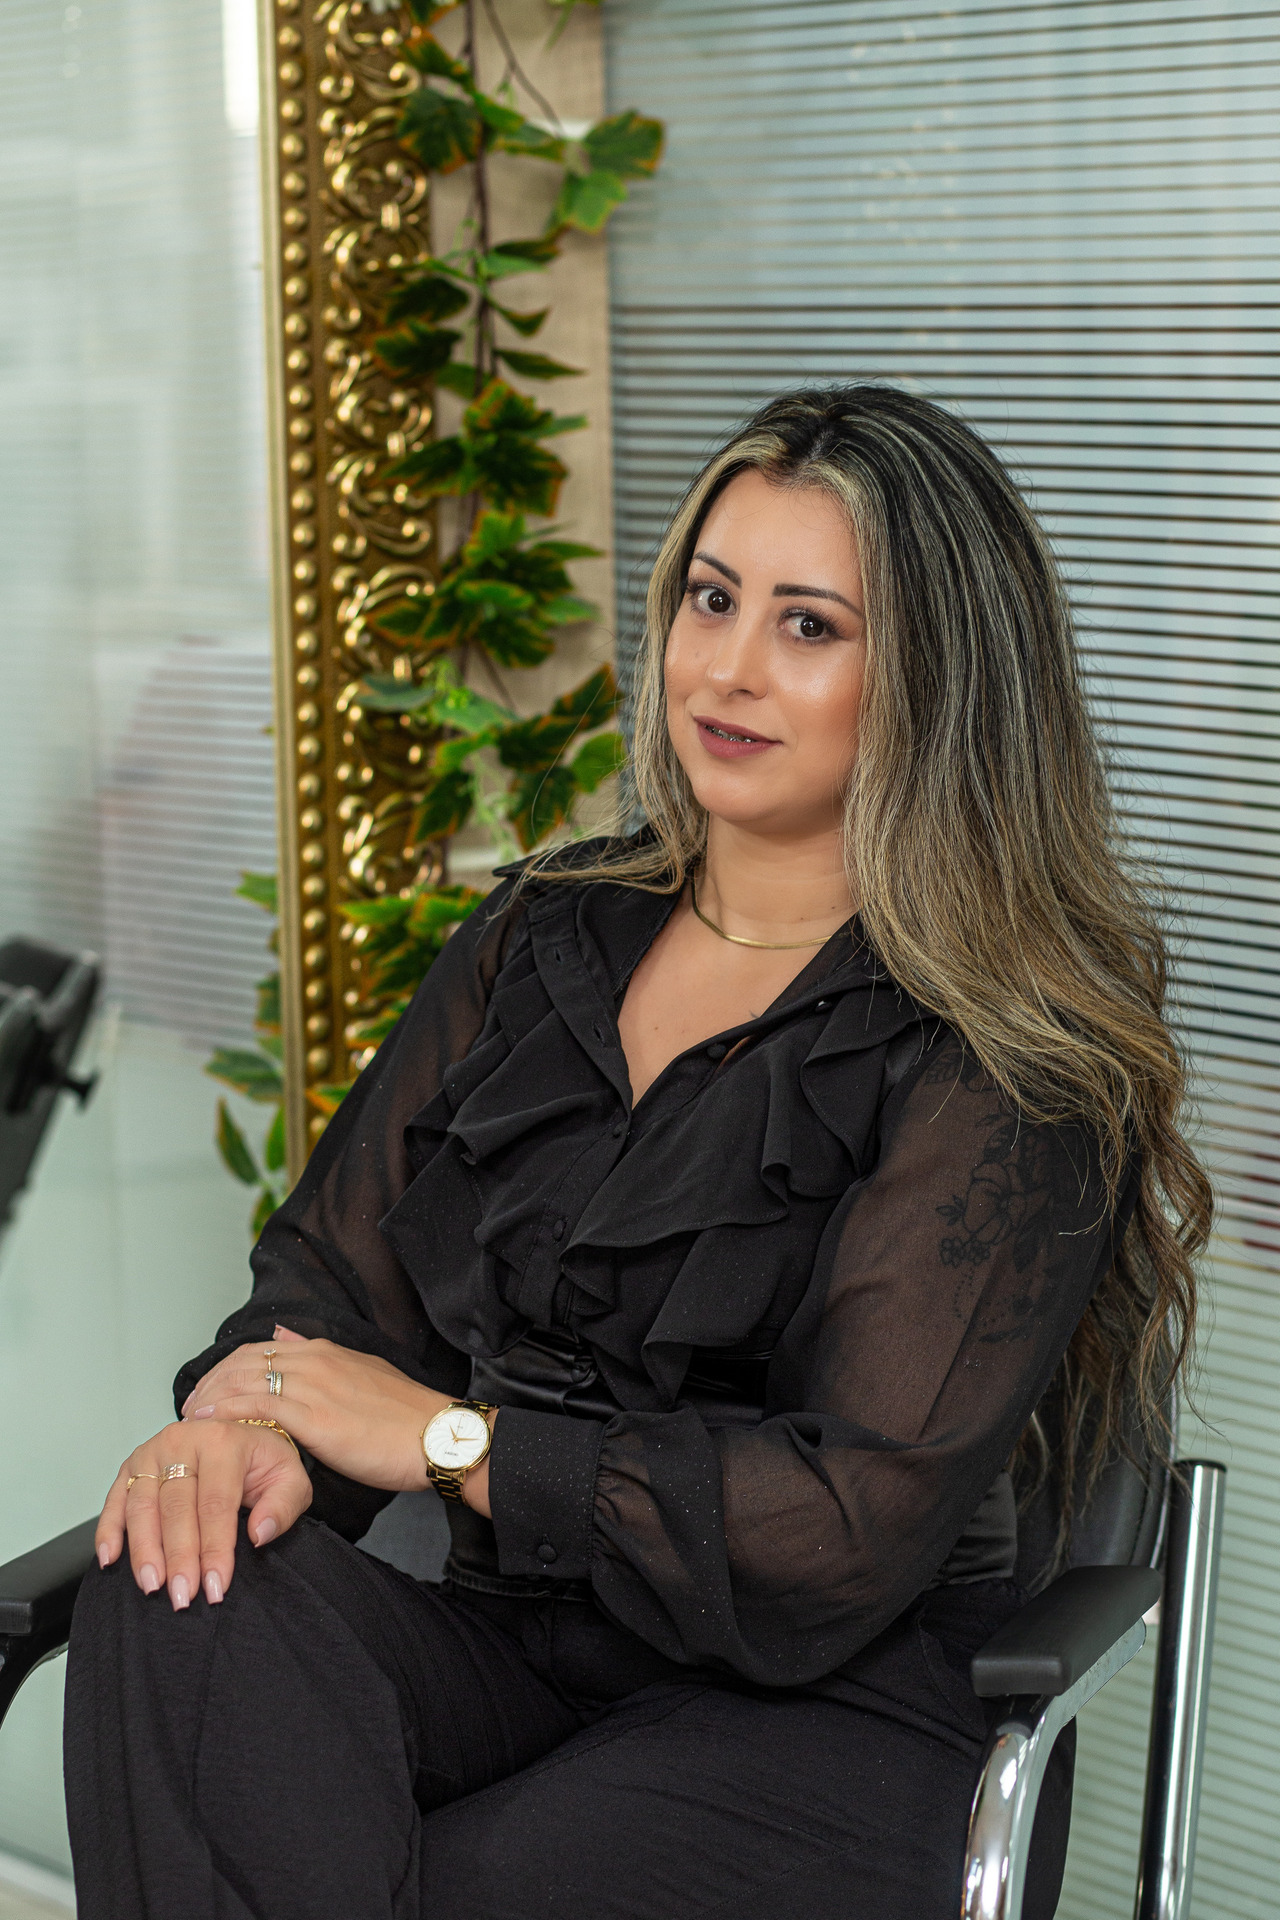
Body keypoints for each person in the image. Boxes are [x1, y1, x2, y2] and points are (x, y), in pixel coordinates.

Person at [64, 385, 1211, 1920]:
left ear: (934, 682)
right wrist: (245, 1430)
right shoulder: (544, 933)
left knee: (449, 1890)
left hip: (820, 1714)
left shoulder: (1006, 1051)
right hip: (502, 1652)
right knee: (176, 1584)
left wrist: (459, 1445)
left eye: (810, 627)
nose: (728, 667)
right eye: (711, 599)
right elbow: (330, 1285)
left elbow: (842, 1528)